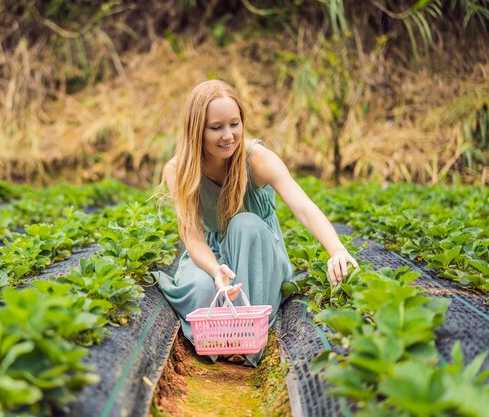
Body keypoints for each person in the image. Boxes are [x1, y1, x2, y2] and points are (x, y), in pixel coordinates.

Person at [153, 79, 358, 367]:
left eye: (234, 124)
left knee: (244, 224)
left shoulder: (257, 159)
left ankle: (247, 342)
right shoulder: (179, 169)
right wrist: (215, 271)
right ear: (196, 129)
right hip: (213, 255)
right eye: (216, 127)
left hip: (258, 251)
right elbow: (193, 236)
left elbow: (304, 207)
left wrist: (336, 250)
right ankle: (219, 340)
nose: (228, 135)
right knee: (202, 291)